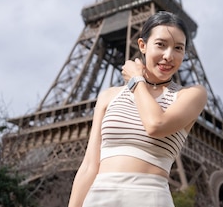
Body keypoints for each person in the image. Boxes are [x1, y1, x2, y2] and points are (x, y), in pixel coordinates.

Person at [67, 11, 208, 207]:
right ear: (142, 45)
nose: (168, 55)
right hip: (99, 198)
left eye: (178, 48)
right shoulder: (109, 96)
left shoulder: (191, 95)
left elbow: (156, 124)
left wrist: (136, 80)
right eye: (161, 44)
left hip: (150, 198)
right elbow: (89, 166)